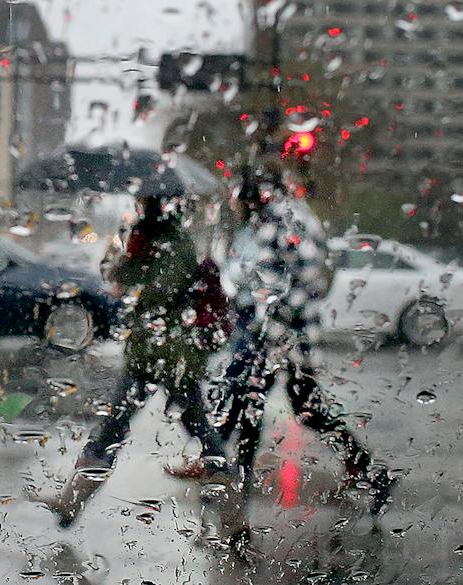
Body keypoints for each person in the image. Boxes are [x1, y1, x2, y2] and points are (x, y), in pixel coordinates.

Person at [169, 173, 396, 522]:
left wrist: (270, 317)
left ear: (257, 195)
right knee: (284, 406)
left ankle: (233, 481)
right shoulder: (274, 217)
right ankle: (366, 472)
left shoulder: (286, 219)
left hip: (283, 334)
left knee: (261, 405)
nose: (240, 207)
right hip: (273, 332)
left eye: (242, 200)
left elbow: (304, 277)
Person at [41, 194, 233, 528]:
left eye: (145, 205)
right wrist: (129, 252)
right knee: (115, 427)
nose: (140, 210)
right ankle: (71, 506)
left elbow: (163, 292)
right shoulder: (147, 239)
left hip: (172, 356)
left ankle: (233, 510)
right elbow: (119, 278)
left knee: (196, 427)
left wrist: (139, 264)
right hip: (147, 353)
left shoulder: (176, 243)